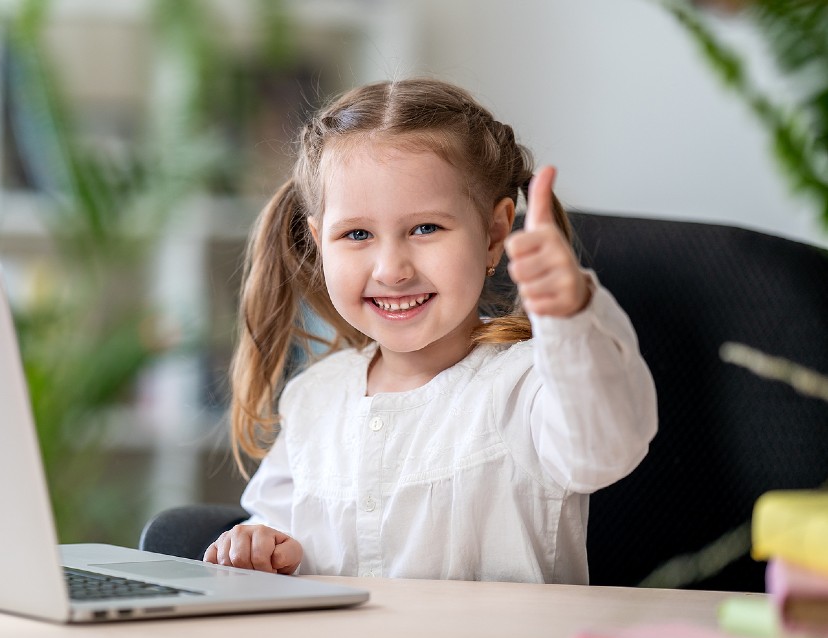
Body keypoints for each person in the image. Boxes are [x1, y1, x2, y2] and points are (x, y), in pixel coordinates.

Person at [202, 78, 658, 584]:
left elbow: (604, 449)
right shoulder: (313, 398)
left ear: (494, 235)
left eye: (425, 229)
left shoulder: (528, 387)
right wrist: (258, 544)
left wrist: (572, 313)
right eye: (356, 234)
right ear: (317, 242)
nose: (392, 269)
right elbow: (274, 534)